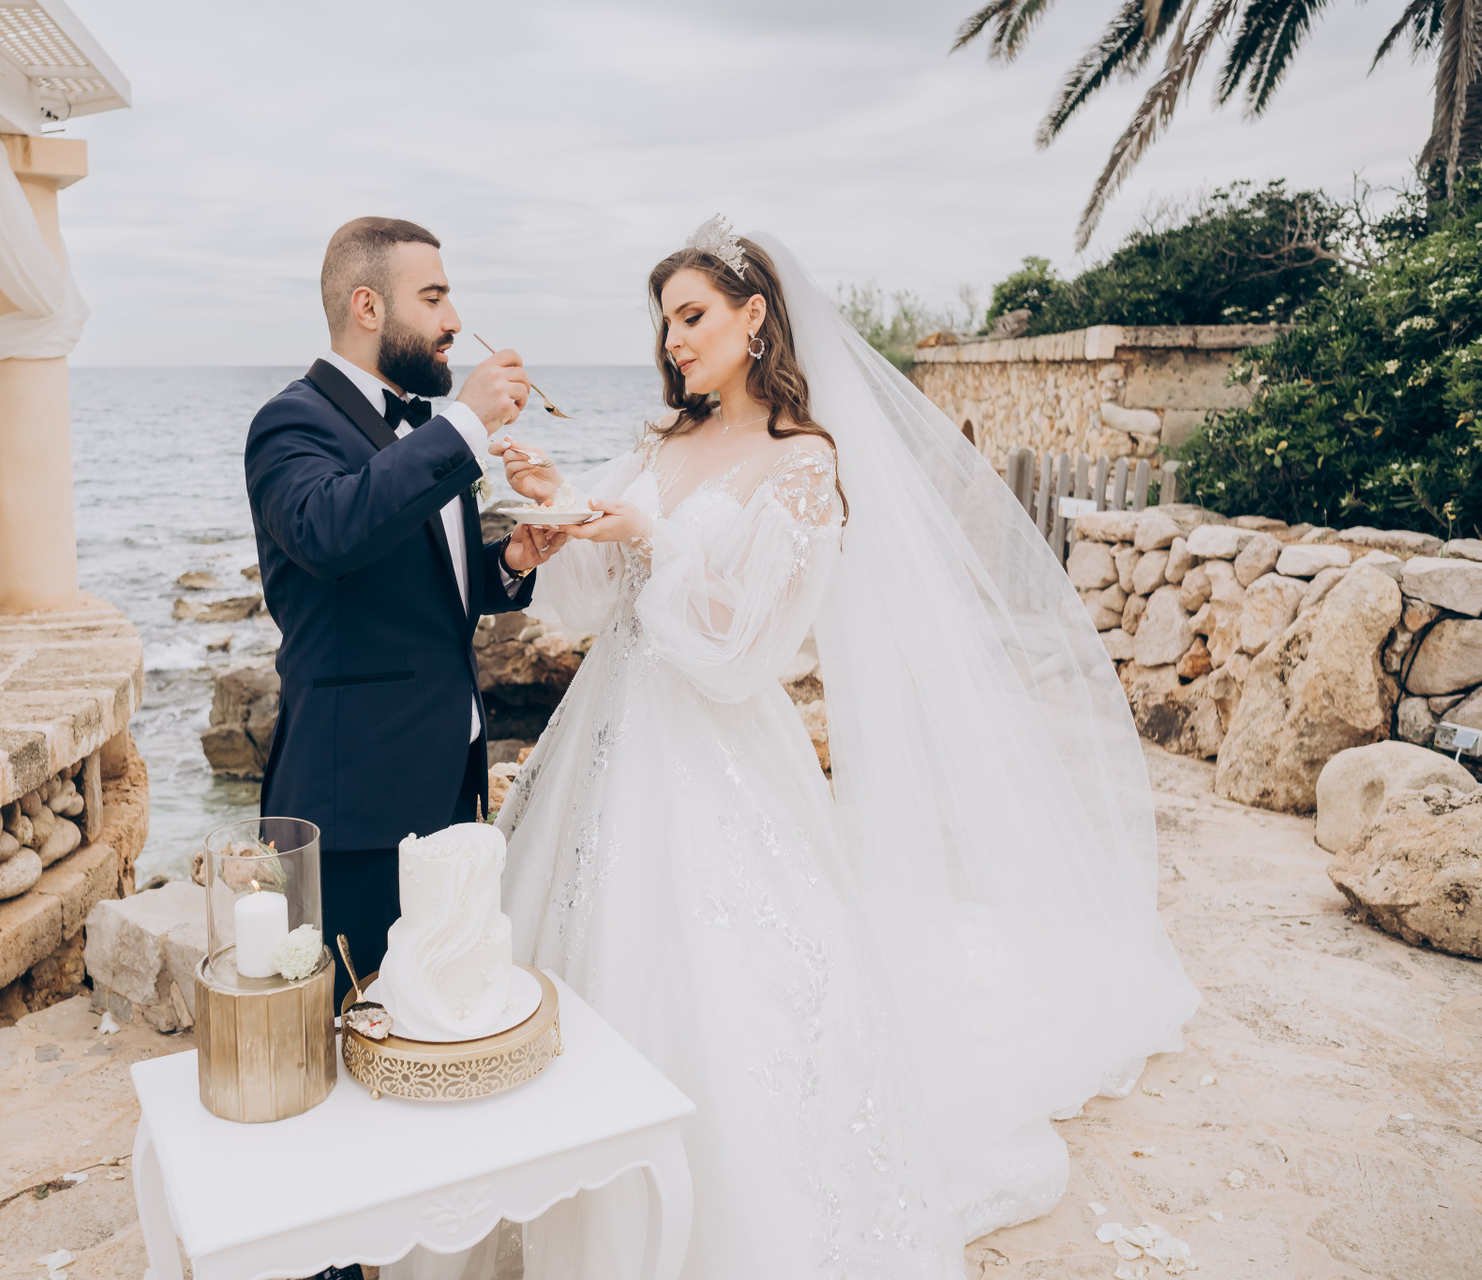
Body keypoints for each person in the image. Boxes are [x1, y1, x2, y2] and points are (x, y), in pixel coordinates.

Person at [486, 219, 1201, 1278]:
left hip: (716, 747)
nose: (673, 340)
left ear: (754, 316)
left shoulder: (803, 463)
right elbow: (592, 600)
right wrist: (555, 502)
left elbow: (744, 647)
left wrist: (654, 537)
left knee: (728, 986)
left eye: (692, 315)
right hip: (607, 731)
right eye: (665, 321)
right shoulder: (657, 445)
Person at [243, 216, 568, 1024]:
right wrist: (466, 424)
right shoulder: (290, 422)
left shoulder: (422, 428)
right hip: (356, 802)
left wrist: (508, 562)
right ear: (368, 307)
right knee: (350, 1028)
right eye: (433, 298)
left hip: (448, 781)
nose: (454, 320)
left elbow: (417, 578)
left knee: (440, 1020)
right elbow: (331, 533)